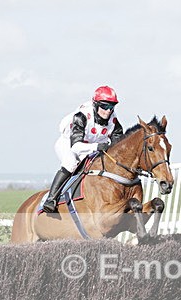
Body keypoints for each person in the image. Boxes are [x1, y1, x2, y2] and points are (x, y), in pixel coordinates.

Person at [42, 85, 125, 213]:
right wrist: (97, 146)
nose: (108, 110)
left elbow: (117, 146)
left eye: (111, 106)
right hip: (69, 143)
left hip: (92, 145)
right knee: (71, 164)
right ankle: (51, 199)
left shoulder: (114, 122)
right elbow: (76, 147)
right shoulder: (81, 116)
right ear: (96, 104)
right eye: (105, 106)